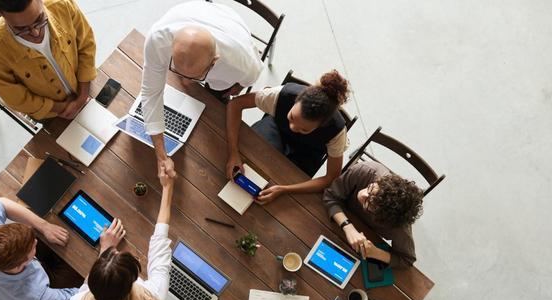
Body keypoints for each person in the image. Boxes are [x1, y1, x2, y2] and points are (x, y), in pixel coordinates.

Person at [64, 166, 175, 300]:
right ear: (132, 282)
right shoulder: (152, 298)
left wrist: (104, 250)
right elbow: (160, 247)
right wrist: (168, 187)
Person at [142, 1, 264, 178]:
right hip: (194, 12)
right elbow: (150, 93)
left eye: (192, 77)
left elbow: (248, 79)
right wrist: (161, 156)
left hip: (231, 28)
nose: (184, 82)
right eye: (177, 71)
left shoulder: (241, 65)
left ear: (214, 62)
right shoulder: (157, 39)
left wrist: (237, 86)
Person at [226, 70, 351, 204]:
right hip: (276, 129)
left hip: (308, 152)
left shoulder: (336, 132)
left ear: (322, 125)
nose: (293, 127)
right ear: (296, 100)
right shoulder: (281, 95)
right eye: (291, 117)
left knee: (286, 184)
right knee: (250, 158)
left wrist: (283, 190)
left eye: (304, 129)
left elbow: (331, 177)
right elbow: (235, 104)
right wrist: (233, 152)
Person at [0, 0, 97, 120]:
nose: (35, 33)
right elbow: (17, 99)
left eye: (39, 20)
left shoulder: (62, 4)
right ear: (1, 14)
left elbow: (86, 43)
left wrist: (82, 96)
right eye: (22, 29)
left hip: (86, 86)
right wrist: (61, 108)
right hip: (53, 115)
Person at [0, 197, 83, 300]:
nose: (35, 241)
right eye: (33, 246)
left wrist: (44, 226)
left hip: (6, 287)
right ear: (21, 264)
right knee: (83, 272)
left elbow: (0, 203)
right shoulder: (36, 296)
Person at [323, 161, 424, 268]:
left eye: (368, 203)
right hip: (334, 219)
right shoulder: (364, 171)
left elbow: (407, 260)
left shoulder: (398, 225)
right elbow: (330, 196)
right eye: (371, 189)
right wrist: (348, 227)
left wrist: (375, 253)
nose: (363, 194)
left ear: (382, 218)